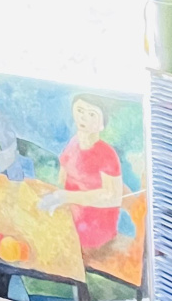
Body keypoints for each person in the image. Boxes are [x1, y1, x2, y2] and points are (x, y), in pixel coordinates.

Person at [38, 94, 127, 251]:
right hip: (70, 216)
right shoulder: (73, 143)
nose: (84, 117)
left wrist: (66, 197)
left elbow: (112, 197)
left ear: (102, 124)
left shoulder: (107, 155)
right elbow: (62, 178)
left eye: (91, 114)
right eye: (80, 111)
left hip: (95, 229)